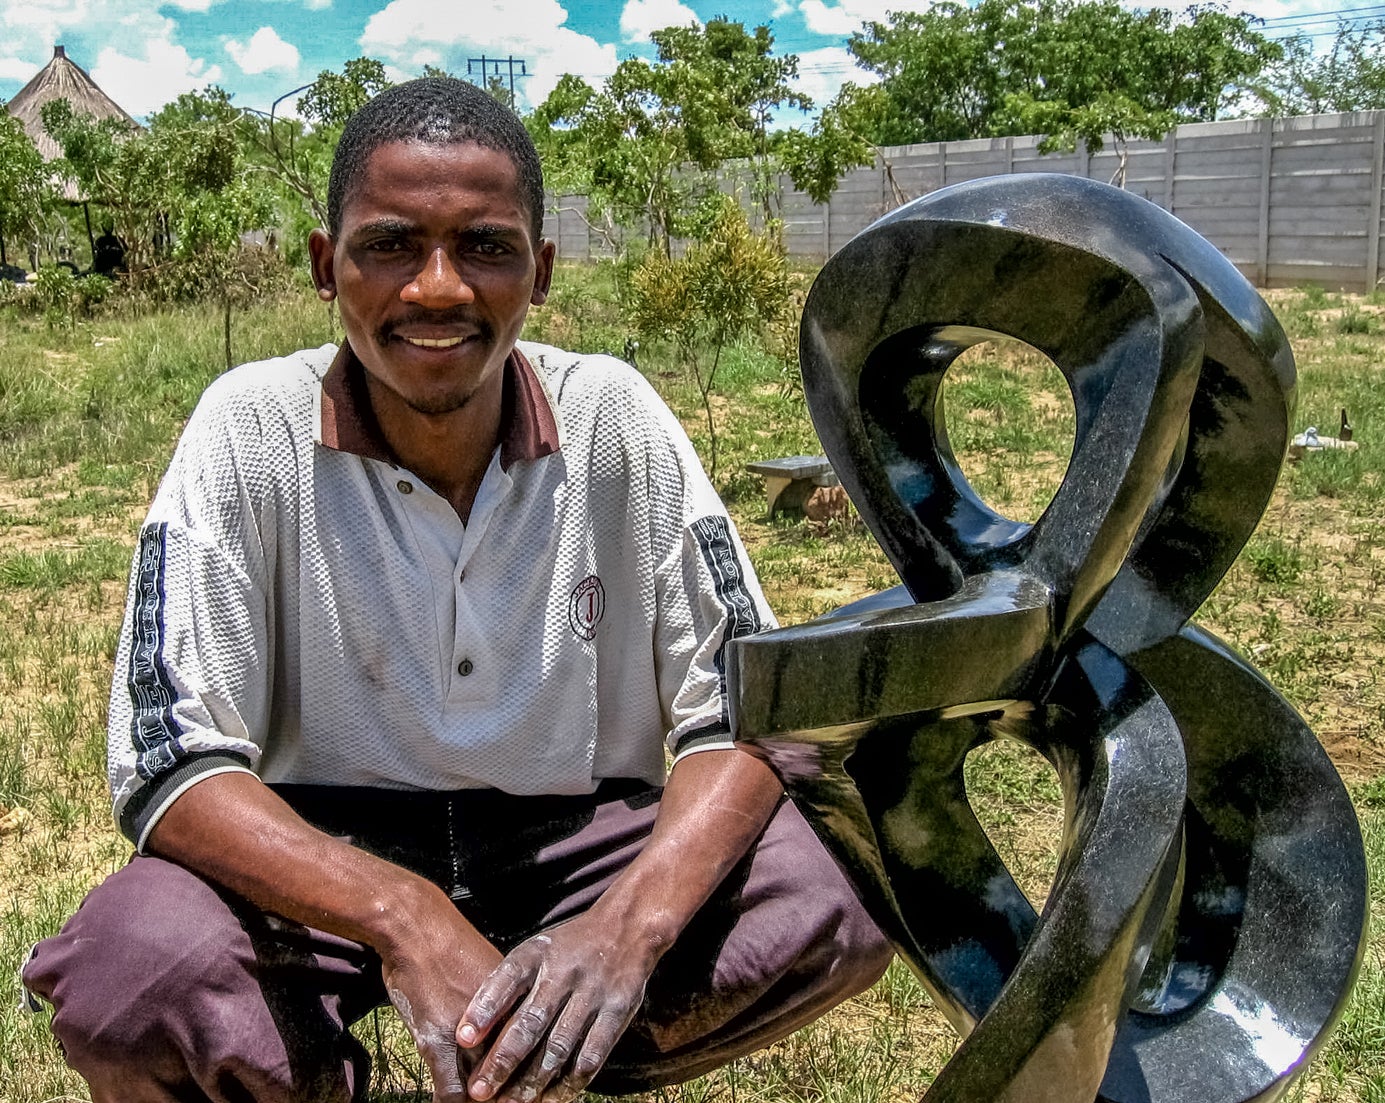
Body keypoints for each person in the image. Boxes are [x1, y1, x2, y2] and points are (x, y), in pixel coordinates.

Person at [21, 77, 891, 1103]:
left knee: (837, 889)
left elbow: (746, 707)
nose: (437, 289)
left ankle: (539, 1038)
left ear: (542, 270)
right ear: (322, 265)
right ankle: (323, 1062)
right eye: (389, 244)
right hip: (319, 839)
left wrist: (626, 928)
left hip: (574, 834)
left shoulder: (612, 417)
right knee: (137, 973)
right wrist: (404, 914)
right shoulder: (248, 428)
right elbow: (169, 755)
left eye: (485, 246)